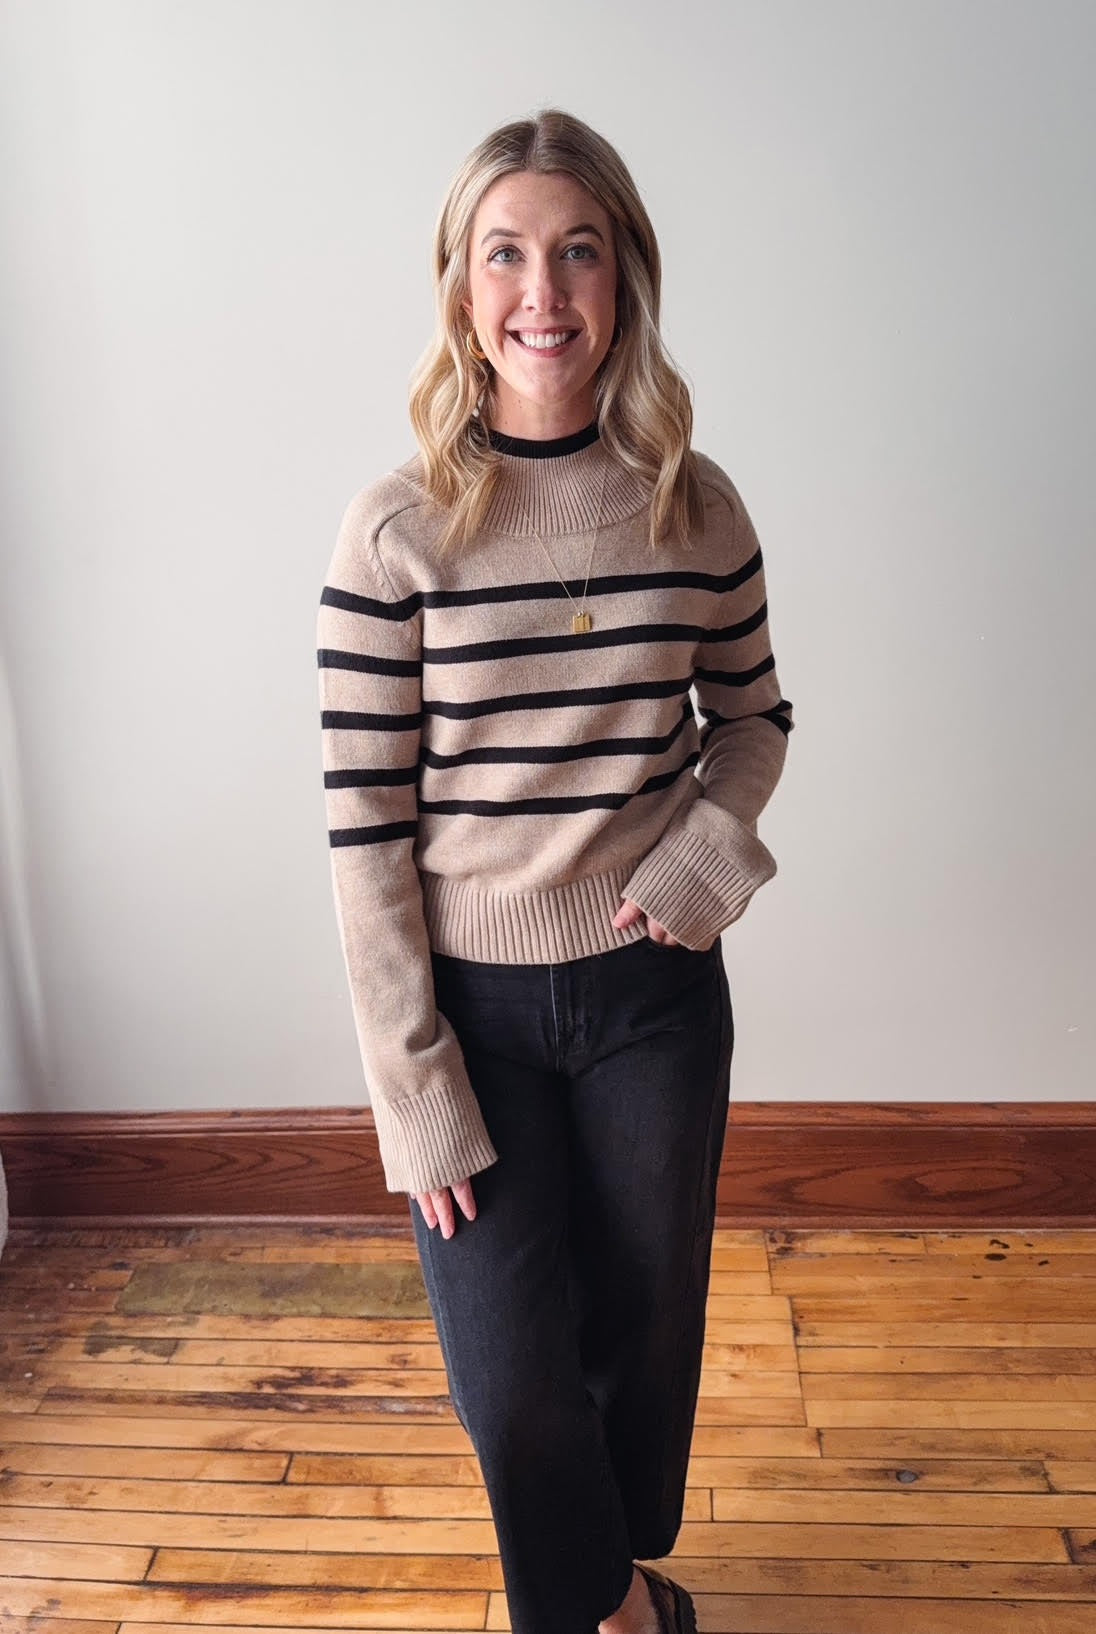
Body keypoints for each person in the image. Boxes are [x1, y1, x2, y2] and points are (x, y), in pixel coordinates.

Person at [316, 108, 793, 1634]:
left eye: (578, 250)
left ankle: (607, 1588)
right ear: (461, 289)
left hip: (656, 998)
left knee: (643, 1341)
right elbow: (363, 829)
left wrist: (713, 850)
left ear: (625, 278)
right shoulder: (396, 532)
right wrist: (410, 1077)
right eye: (506, 253)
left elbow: (755, 720)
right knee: (513, 1378)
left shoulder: (693, 506)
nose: (544, 289)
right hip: (474, 1017)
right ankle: (619, 1607)